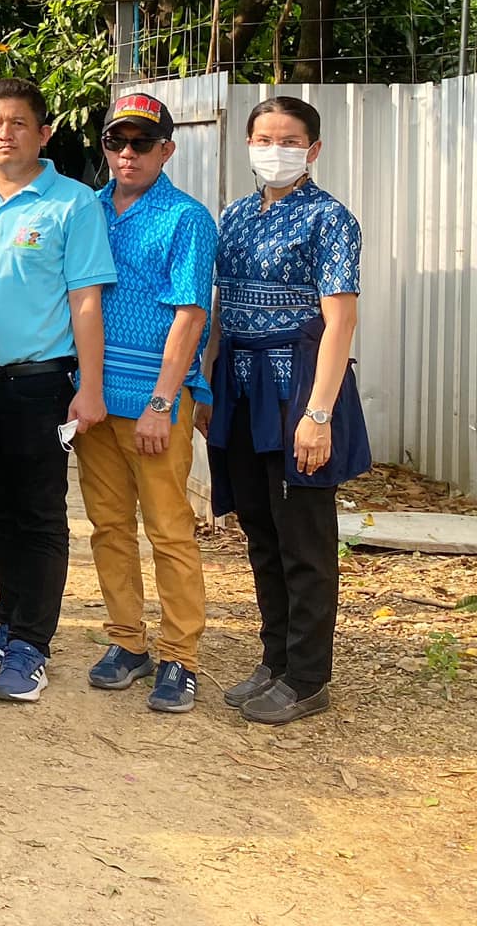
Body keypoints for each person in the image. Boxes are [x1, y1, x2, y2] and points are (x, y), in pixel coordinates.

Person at [0, 77, 117, 703]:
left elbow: (87, 299)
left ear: (44, 133)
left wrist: (89, 387)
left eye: (20, 123)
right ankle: (7, 623)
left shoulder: (73, 203)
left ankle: (32, 647)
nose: (6, 133)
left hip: (43, 382)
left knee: (40, 515)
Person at [207, 96, 366, 726]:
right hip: (242, 392)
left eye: (290, 140)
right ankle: (274, 661)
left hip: (299, 388)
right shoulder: (235, 216)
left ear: (314, 150)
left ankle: (307, 678)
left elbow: (340, 320)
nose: (275, 150)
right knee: (261, 534)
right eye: (264, 138)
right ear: (247, 145)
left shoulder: (332, 220)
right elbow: (222, 308)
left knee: (304, 540)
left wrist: (318, 413)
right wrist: (207, 387)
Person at [74, 94, 217, 715]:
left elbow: (191, 314)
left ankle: (180, 657)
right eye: (116, 143)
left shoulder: (186, 218)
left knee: (168, 530)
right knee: (108, 526)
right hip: (94, 400)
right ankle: (127, 642)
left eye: (141, 143)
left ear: (167, 149)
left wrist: (164, 401)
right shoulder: (88, 210)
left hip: (154, 399)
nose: (127, 154)